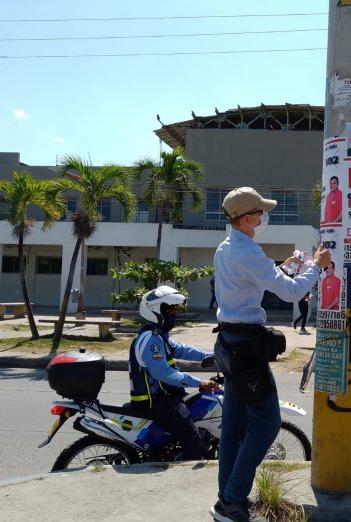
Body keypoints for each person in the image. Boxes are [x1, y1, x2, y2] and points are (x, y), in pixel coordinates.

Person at [211, 186, 330, 522]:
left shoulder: (228, 247)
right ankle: (232, 500)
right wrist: (317, 267)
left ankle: (226, 497)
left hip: (228, 344)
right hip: (245, 349)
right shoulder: (247, 252)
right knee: (267, 424)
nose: (263, 217)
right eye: (260, 212)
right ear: (248, 217)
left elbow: (260, 278)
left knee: (234, 428)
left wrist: (286, 265)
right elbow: (291, 291)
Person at [129, 285, 218, 460]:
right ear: (154, 311)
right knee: (194, 441)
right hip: (155, 402)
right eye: (169, 310)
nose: (173, 313)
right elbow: (164, 373)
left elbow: (183, 350)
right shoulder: (150, 339)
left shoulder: (158, 335)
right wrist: (199, 383)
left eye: (174, 310)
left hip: (165, 398)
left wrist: (213, 357)